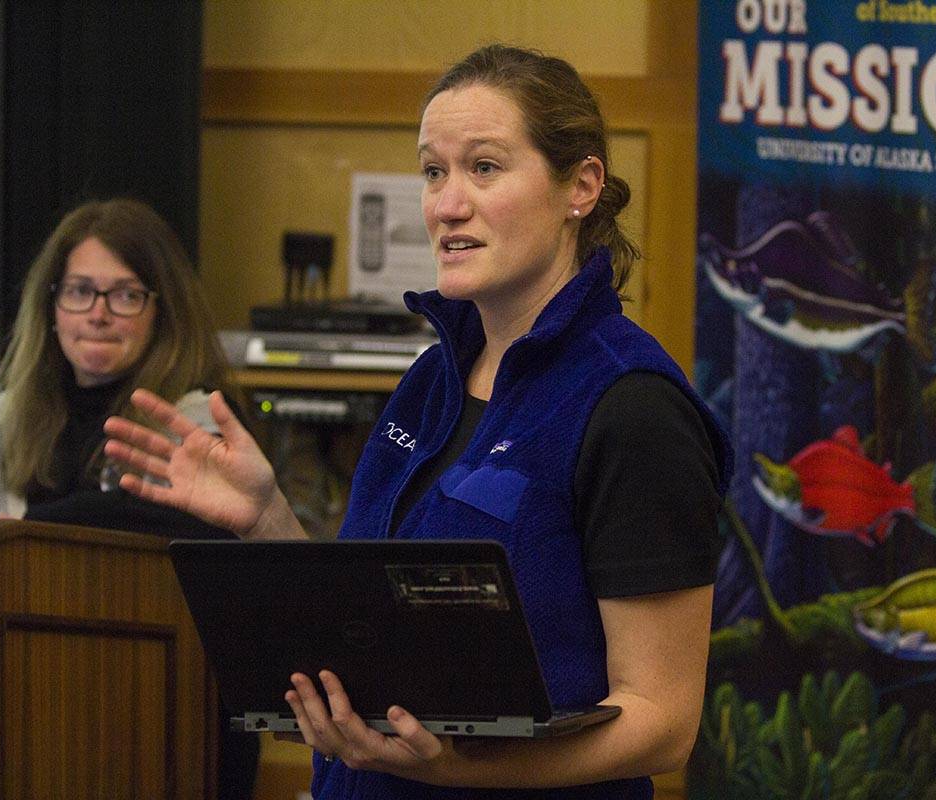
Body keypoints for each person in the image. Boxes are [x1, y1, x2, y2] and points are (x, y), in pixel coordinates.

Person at [104, 44, 732, 799]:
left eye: (485, 168)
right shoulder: (429, 380)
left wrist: (464, 769)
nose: (446, 203)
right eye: (434, 171)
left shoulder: (632, 406)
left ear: (582, 187)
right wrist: (265, 515)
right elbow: (374, 632)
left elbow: (663, 722)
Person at [0, 197, 260, 796]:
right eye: (79, 291)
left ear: (162, 312)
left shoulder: (194, 417)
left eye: (125, 295)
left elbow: (149, 523)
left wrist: (20, 528)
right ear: (51, 306)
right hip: (28, 698)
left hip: (165, 703)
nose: (98, 314)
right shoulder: (8, 417)